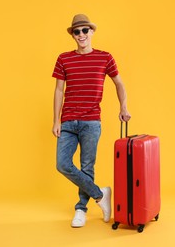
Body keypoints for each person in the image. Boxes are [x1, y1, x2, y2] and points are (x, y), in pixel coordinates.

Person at [51, 14, 131, 228]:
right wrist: (56, 120)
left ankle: (80, 209)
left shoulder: (105, 57)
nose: (81, 35)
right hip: (68, 121)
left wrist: (123, 106)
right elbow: (59, 90)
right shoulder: (63, 58)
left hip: (91, 121)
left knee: (87, 166)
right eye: (77, 31)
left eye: (85, 30)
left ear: (92, 32)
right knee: (62, 164)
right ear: (73, 35)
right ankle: (100, 194)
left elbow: (119, 84)